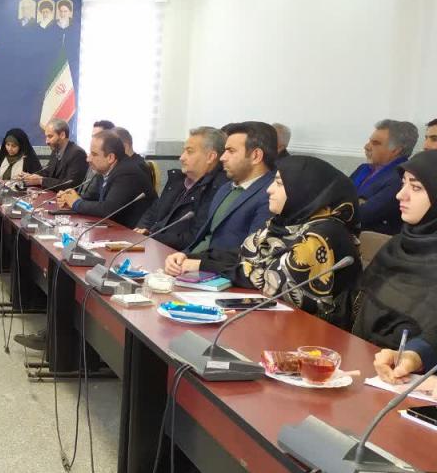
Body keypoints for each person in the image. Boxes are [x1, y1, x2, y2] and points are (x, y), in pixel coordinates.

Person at [218, 156, 362, 328]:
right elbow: (245, 258)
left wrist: (213, 266)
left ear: (304, 190)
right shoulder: (286, 224)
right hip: (277, 323)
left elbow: (274, 285)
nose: (269, 190)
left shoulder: (323, 234)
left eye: (279, 183)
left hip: (314, 334)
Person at [359, 151, 437, 393]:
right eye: (403, 184)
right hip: (373, 365)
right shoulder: (398, 245)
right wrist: (412, 355)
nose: (400, 195)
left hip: (409, 387)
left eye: (416, 187)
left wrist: (416, 354)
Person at [164, 121, 277, 275]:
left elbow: (252, 255)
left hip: (228, 277)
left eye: (231, 151)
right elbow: (207, 238)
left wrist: (199, 264)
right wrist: (183, 256)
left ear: (256, 156)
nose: (223, 157)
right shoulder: (225, 188)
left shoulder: (271, 195)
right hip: (199, 269)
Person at [135, 126, 229, 250]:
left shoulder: (218, 189)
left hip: (176, 255)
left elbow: (194, 237)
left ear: (210, 157)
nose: (182, 157)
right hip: (153, 245)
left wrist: (151, 236)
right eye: (183, 151)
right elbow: (153, 211)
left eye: (189, 152)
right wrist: (141, 231)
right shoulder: (178, 180)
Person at [56, 130, 155, 228]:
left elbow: (108, 209)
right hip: (113, 227)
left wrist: (76, 203)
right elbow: (92, 198)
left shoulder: (127, 172)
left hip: (133, 232)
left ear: (110, 157)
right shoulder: (104, 170)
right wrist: (69, 198)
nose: (88, 159)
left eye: (94, 154)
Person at [0, 129, 42, 264]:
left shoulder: (29, 160)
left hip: (19, 203)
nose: (10, 149)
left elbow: (36, 183)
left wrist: (24, 180)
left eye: (14, 146)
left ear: (21, 146)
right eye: (7, 145)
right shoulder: (2, 157)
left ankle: (8, 261)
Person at [349, 119, 418, 234]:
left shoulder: (401, 177)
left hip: (372, 238)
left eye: (375, 143)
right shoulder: (363, 168)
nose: (366, 147)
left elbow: (362, 215)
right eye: (369, 141)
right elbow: (337, 195)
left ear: (396, 150)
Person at [19, 118, 88, 192]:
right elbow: (48, 172)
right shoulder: (56, 150)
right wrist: (30, 176)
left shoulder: (77, 153)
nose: (46, 141)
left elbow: (70, 184)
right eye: (46, 137)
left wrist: (40, 181)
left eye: (50, 136)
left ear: (62, 135)